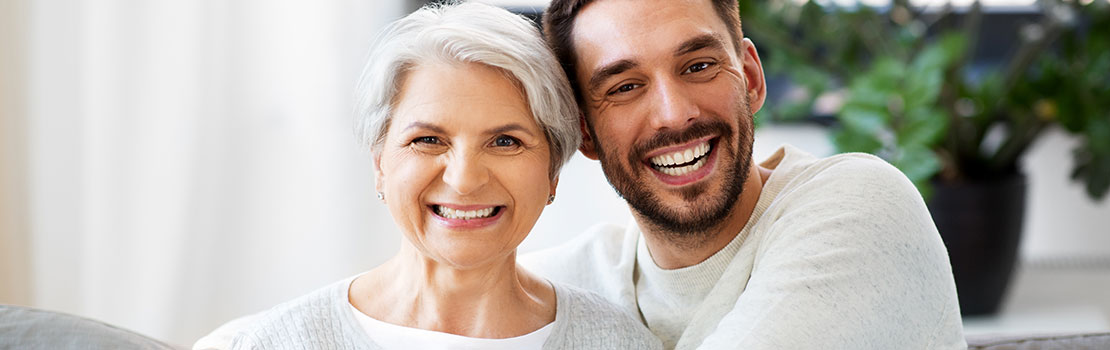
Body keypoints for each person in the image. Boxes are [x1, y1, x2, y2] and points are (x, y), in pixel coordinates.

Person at [193, 3, 661, 349]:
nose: (463, 179)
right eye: (428, 140)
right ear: (380, 163)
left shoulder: (617, 342)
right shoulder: (278, 342)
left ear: (553, 171)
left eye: (505, 141)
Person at [519, 0, 968, 348]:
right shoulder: (558, 286)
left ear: (750, 77)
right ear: (584, 132)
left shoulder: (862, 207)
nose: (674, 115)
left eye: (698, 66)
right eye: (626, 87)